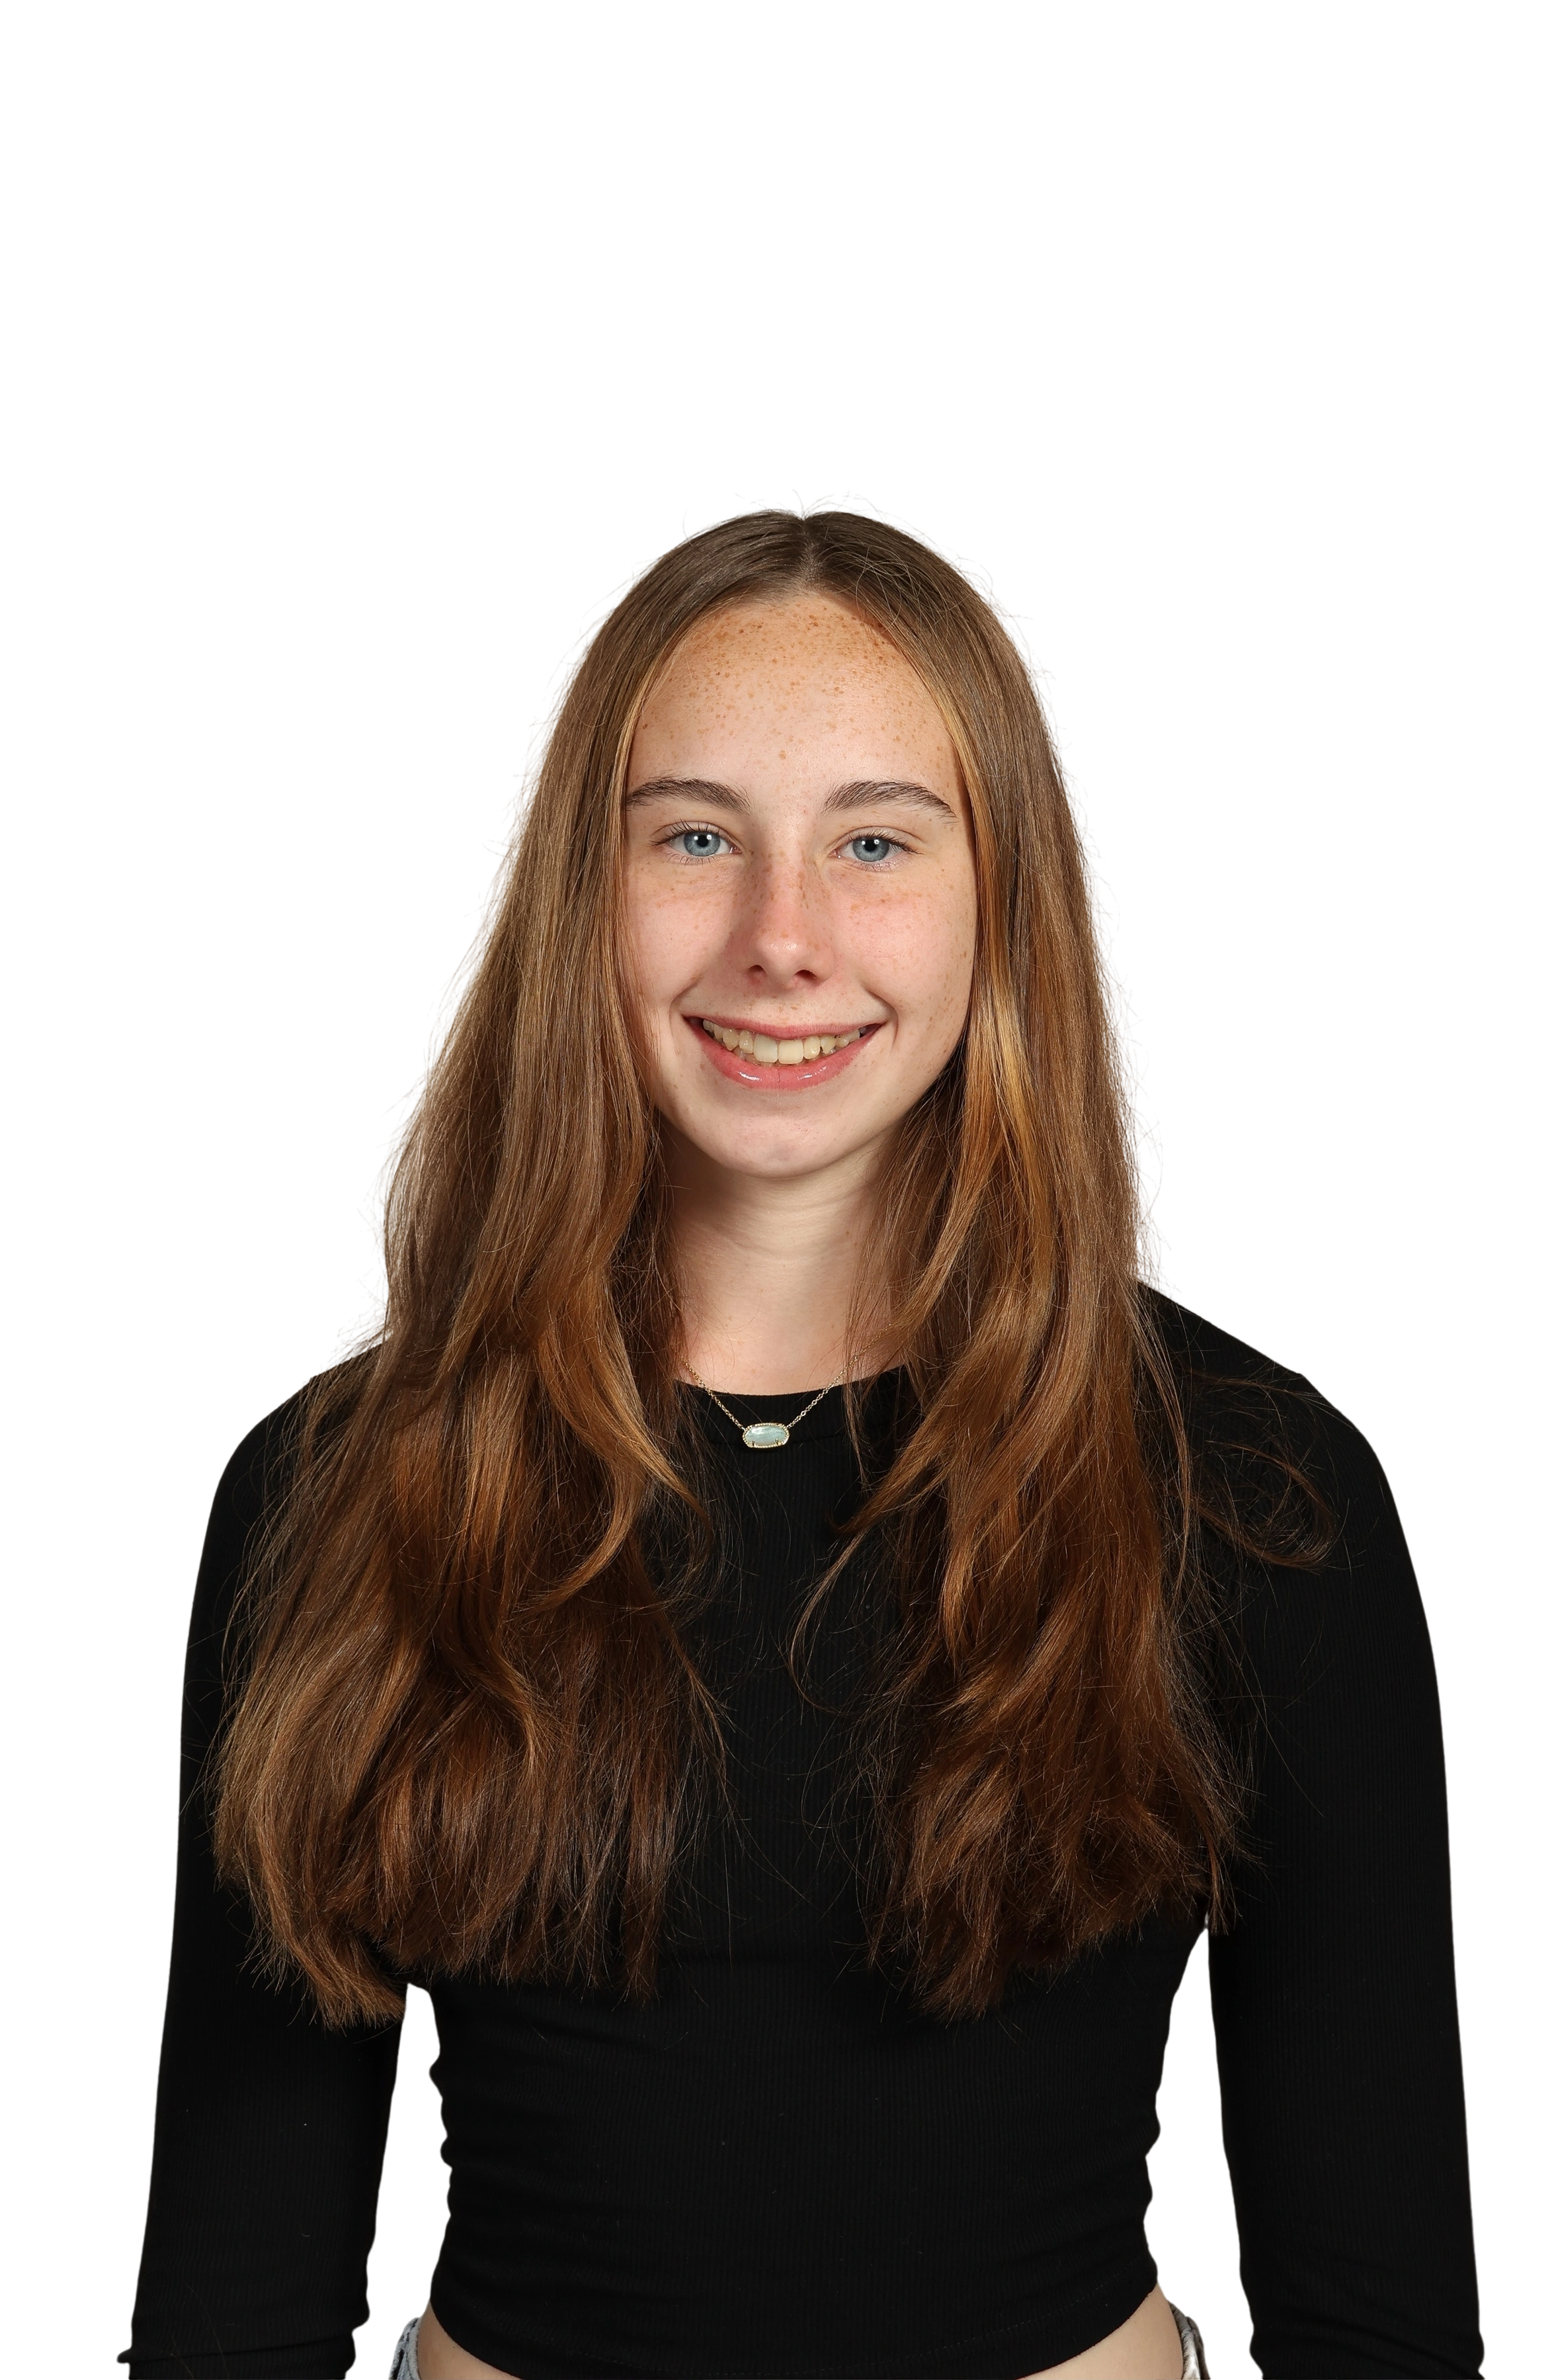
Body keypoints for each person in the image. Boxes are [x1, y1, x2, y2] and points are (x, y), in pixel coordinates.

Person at [116, 491, 1483, 2380]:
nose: (783, 938)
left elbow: (1378, 2296)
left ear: (1002, 900)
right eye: (696, 836)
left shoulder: (1253, 1488)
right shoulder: (336, 1485)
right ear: (577, 901)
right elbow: (235, 2279)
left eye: (875, 841)